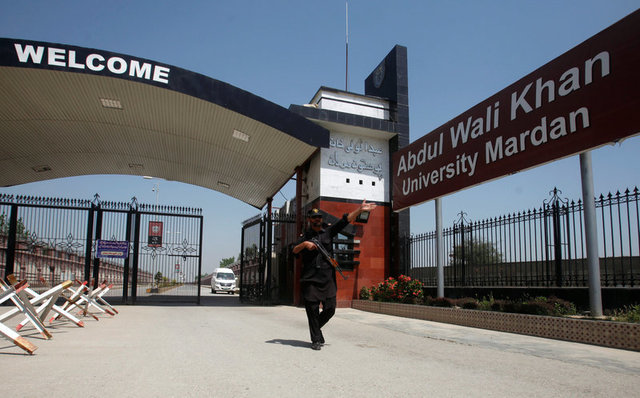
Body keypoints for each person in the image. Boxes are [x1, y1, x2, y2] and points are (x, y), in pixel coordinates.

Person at [292, 199, 377, 350]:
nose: (317, 219)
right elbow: (294, 250)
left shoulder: (329, 232)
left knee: (330, 309)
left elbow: (345, 221)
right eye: (314, 217)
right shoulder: (305, 237)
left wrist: (360, 210)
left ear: (321, 219)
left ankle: (316, 328)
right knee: (312, 310)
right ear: (310, 220)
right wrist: (305, 245)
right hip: (310, 279)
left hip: (328, 278)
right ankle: (316, 340)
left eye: (319, 217)